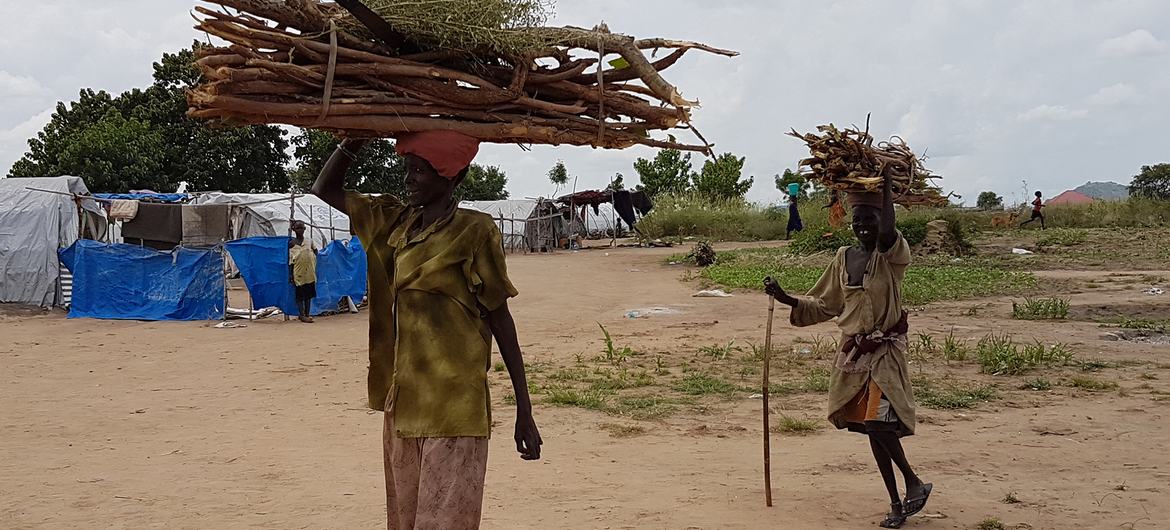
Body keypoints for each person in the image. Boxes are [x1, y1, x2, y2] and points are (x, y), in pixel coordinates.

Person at [311, 131, 541, 530]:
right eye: (407, 169)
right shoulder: (393, 222)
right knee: (404, 521)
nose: (409, 179)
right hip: (403, 404)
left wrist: (525, 408)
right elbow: (323, 188)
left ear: (450, 176)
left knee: (447, 522)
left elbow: (500, 319)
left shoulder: (475, 231)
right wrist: (356, 139)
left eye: (419, 170)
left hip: (456, 406)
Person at [764, 173, 931, 529]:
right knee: (872, 429)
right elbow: (826, 304)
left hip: (885, 352)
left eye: (869, 219)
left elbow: (888, 229)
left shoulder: (892, 255)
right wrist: (785, 297)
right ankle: (897, 501)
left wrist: (885, 183)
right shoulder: (843, 257)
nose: (863, 227)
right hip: (854, 355)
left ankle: (913, 482)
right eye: (857, 221)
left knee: (877, 422)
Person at [288, 220, 317, 323]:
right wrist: (291, 275)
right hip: (298, 273)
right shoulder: (291, 244)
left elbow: (316, 251)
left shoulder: (309, 241)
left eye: (301, 228)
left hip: (309, 272)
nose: (299, 230)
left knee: (308, 295)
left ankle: (307, 314)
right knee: (300, 295)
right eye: (297, 228)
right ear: (294, 230)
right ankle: (301, 314)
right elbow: (290, 261)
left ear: (304, 229)